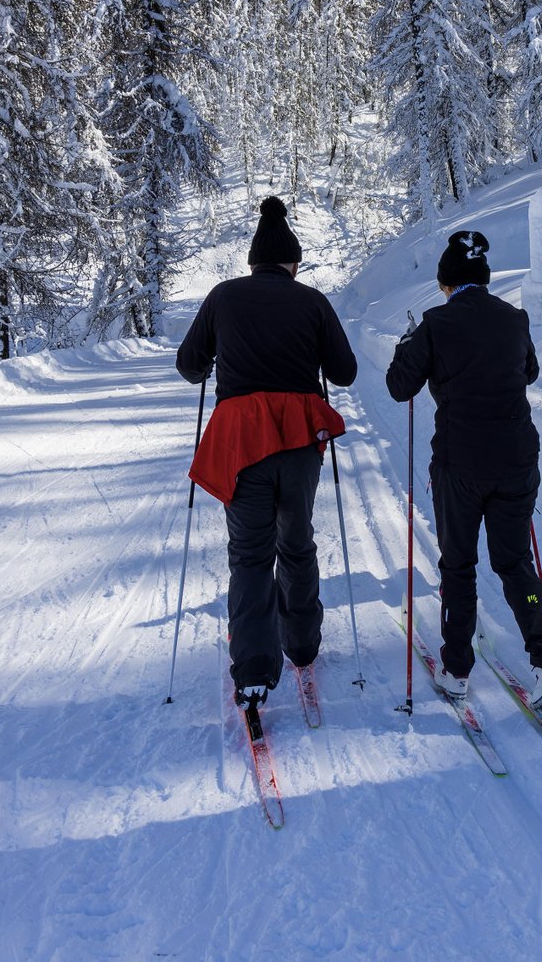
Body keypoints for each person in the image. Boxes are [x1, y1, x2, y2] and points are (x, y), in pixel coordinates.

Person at [176, 196, 357, 708]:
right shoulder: (312, 300)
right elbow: (344, 373)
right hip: (300, 440)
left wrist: (214, 361)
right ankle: (301, 646)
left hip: (242, 442)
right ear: (292, 262)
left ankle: (254, 670)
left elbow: (189, 364)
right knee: (296, 543)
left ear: (253, 262)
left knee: (250, 554)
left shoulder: (223, 297)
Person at [385, 229, 542, 709]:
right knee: (514, 561)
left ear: (447, 283)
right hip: (516, 460)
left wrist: (409, 345)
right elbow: (528, 372)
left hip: (460, 464)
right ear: (484, 280)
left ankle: (458, 670)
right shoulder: (515, 319)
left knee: (459, 565)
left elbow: (399, 386)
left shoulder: (435, 324)